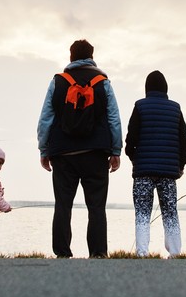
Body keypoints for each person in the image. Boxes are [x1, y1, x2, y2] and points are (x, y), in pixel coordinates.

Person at [37, 39, 122, 258]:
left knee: (63, 205)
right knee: (96, 206)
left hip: (63, 154)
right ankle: (98, 252)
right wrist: (115, 150)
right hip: (96, 152)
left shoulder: (58, 81)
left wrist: (44, 149)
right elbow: (113, 117)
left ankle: (63, 252)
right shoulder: (102, 82)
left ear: (71, 57)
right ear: (92, 57)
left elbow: (46, 118)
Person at [124, 70, 186, 258]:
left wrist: (134, 159)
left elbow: (130, 139)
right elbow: (185, 142)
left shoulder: (140, 106)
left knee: (142, 212)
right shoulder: (175, 109)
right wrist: (180, 165)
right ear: (165, 88)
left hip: (143, 171)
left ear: (147, 88)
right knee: (170, 212)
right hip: (169, 173)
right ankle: (175, 252)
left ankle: (142, 252)